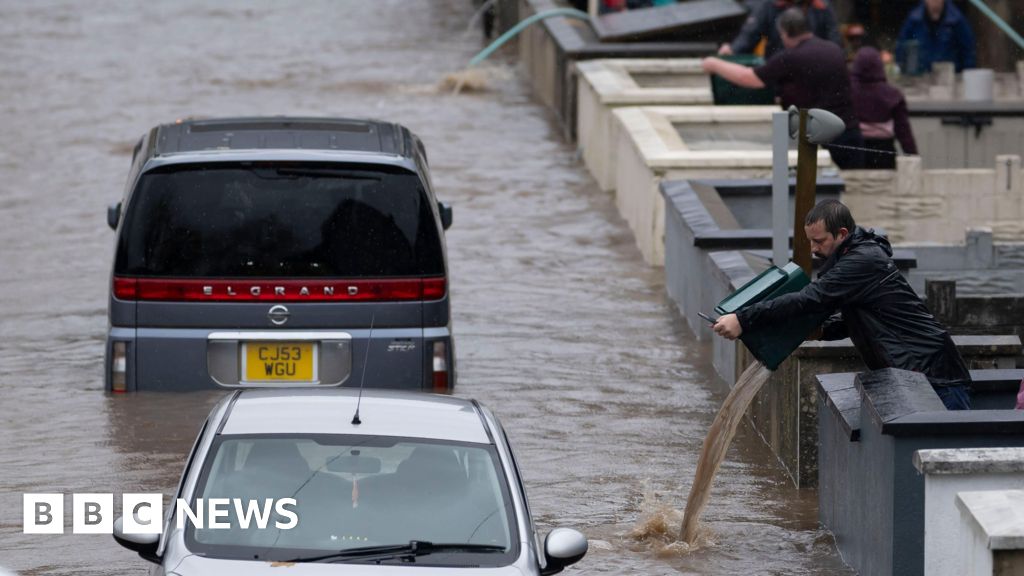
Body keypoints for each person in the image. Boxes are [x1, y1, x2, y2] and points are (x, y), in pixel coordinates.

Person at [712, 200, 973, 410]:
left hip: (934, 377)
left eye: (820, 241)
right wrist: (823, 331)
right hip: (915, 374)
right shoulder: (853, 257)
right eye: (810, 241)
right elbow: (863, 318)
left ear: (842, 234)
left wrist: (743, 319)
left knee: (939, 459)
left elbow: (810, 299)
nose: (813, 249)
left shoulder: (861, 261)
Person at [702, 8, 864, 169]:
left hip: (821, 139)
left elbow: (749, 78)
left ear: (784, 33)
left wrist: (714, 63)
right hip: (849, 133)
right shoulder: (833, 49)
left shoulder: (790, 57)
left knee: (821, 191)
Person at [850, 46, 918, 169]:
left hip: (854, 148)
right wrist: (913, 156)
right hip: (883, 151)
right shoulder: (892, 94)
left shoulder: (847, 92)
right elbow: (903, 131)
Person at [718, 0, 841, 59]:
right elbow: (750, 34)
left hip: (815, 64)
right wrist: (733, 49)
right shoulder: (769, 5)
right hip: (779, 64)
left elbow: (834, 39)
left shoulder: (821, 5)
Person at [895, 0, 976, 74]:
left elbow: (968, 52)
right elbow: (901, 48)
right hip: (920, 78)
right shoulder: (913, 20)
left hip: (950, 78)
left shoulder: (957, 20)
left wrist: (965, 76)